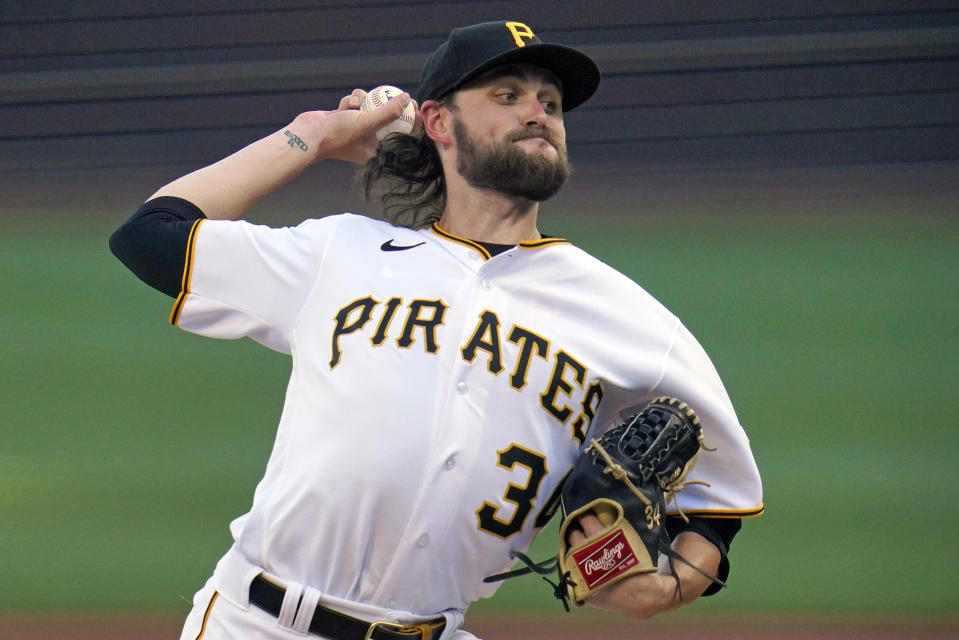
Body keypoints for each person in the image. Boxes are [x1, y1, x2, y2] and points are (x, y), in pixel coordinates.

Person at [110, 20, 763, 640]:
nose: (536, 112)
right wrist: (313, 135)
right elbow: (150, 236)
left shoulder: (629, 320)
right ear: (436, 122)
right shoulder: (339, 255)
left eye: (550, 102)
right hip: (256, 623)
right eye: (506, 95)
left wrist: (665, 585)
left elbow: (718, 498)